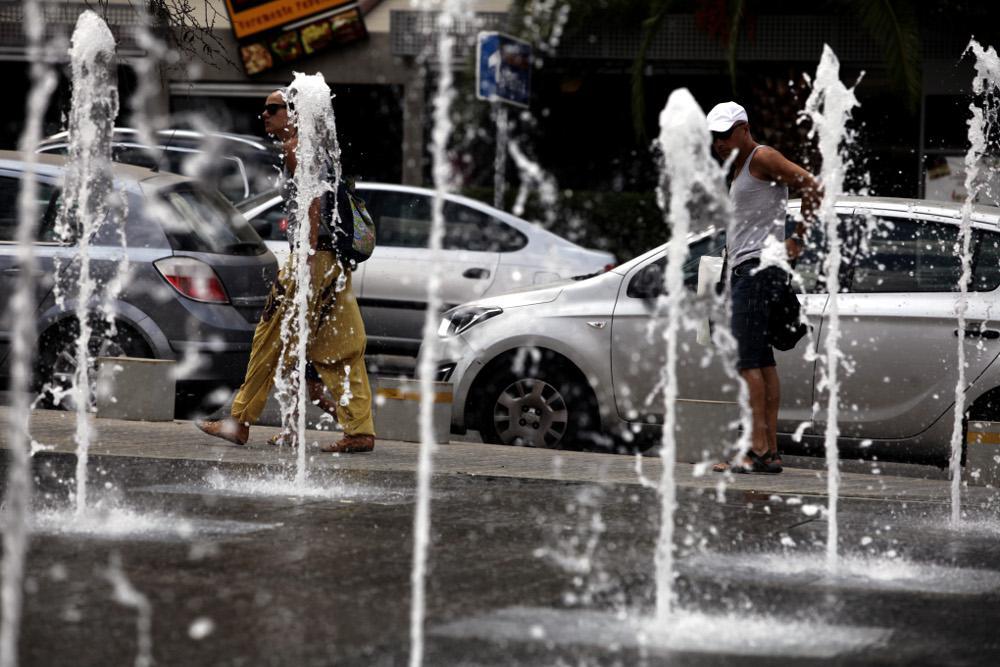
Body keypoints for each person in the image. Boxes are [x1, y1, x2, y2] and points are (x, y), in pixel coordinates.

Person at [196, 89, 376, 453]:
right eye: (264, 109)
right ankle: (359, 429)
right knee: (342, 346)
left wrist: (305, 259)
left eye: (273, 109)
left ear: (294, 114)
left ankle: (239, 421)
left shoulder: (297, 148)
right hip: (332, 263)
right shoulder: (318, 148)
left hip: (310, 261)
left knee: (269, 337)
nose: (265, 115)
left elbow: (311, 204)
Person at [707, 101, 821, 473]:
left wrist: (798, 240)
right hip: (755, 269)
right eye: (715, 137)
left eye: (725, 134)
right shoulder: (741, 167)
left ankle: (755, 450)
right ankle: (768, 450)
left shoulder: (762, 157)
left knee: (747, 363)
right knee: (762, 362)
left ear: (744, 128)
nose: (719, 143)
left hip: (756, 270)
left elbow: (812, 186)